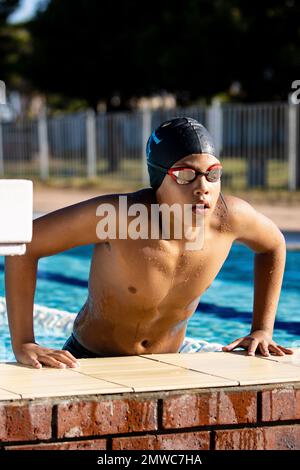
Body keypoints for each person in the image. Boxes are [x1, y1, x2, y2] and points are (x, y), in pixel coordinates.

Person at [5, 117, 293, 368]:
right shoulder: (118, 217)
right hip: (88, 357)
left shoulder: (230, 219)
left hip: (169, 361)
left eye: (212, 174)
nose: (202, 187)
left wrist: (262, 329)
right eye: (185, 175)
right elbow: (26, 244)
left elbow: (274, 245)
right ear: (158, 179)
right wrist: (24, 343)